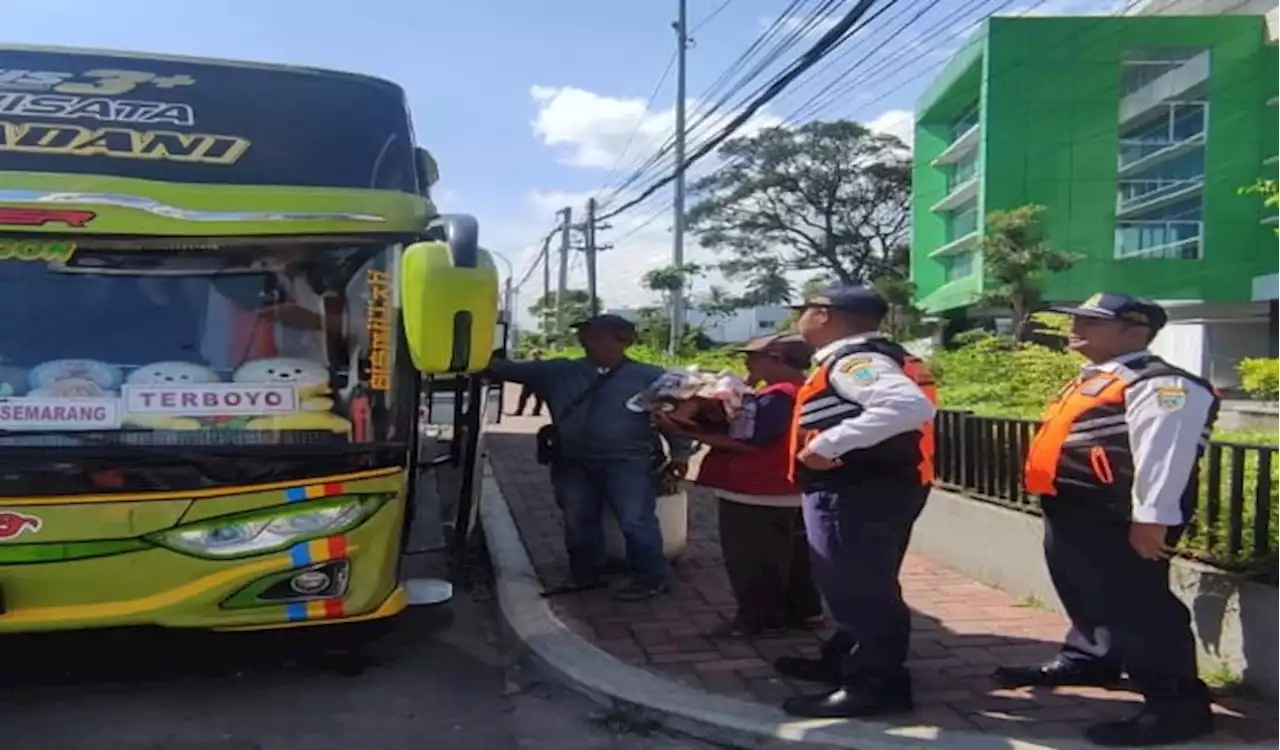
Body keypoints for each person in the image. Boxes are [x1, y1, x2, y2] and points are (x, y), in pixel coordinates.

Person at [993, 293, 1219, 747]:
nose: (1075, 327)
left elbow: (1165, 457)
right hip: (1077, 507)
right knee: (1087, 594)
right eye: (1076, 318)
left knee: (1140, 609)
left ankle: (1178, 708)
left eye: (1090, 321)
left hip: (1120, 515)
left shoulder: (1163, 384)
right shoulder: (1099, 378)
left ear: (1133, 331)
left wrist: (1151, 520)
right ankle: (1092, 657)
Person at [773, 285, 937, 719]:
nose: (798, 320)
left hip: (856, 492)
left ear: (825, 314)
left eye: (803, 311)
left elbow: (906, 406)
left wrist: (826, 445)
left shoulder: (856, 361)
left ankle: (874, 684)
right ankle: (844, 659)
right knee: (855, 581)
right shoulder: (869, 356)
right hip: (875, 489)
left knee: (860, 588)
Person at [487, 314, 692, 602]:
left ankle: (652, 578)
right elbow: (500, 370)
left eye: (596, 336)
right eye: (584, 335)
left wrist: (680, 455)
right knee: (578, 520)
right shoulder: (558, 371)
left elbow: (674, 418)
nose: (586, 341)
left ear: (624, 341)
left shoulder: (650, 376)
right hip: (572, 461)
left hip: (628, 461)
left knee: (636, 520)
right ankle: (586, 575)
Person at [652, 333, 824, 639]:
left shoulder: (778, 395)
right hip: (790, 488)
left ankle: (760, 619)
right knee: (794, 555)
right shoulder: (805, 388)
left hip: (756, 489)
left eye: (752, 357)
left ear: (776, 359)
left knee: (752, 559)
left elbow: (749, 445)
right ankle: (803, 612)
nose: (746, 363)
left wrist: (683, 430)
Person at [511, 349, 546, 416]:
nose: (536, 356)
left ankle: (532, 411)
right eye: (535, 354)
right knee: (526, 397)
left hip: (534, 382)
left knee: (538, 398)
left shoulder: (535, 363)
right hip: (533, 382)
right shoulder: (540, 363)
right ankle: (521, 411)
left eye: (536, 354)